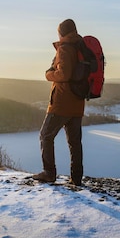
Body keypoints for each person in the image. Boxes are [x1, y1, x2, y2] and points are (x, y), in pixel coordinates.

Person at [32, 18, 85, 186]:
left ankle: (49, 173)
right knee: (74, 142)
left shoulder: (64, 49)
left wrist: (49, 74)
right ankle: (76, 178)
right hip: (78, 102)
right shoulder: (80, 47)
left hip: (62, 102)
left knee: (45, 135)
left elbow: (64, 75)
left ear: (62, 33)